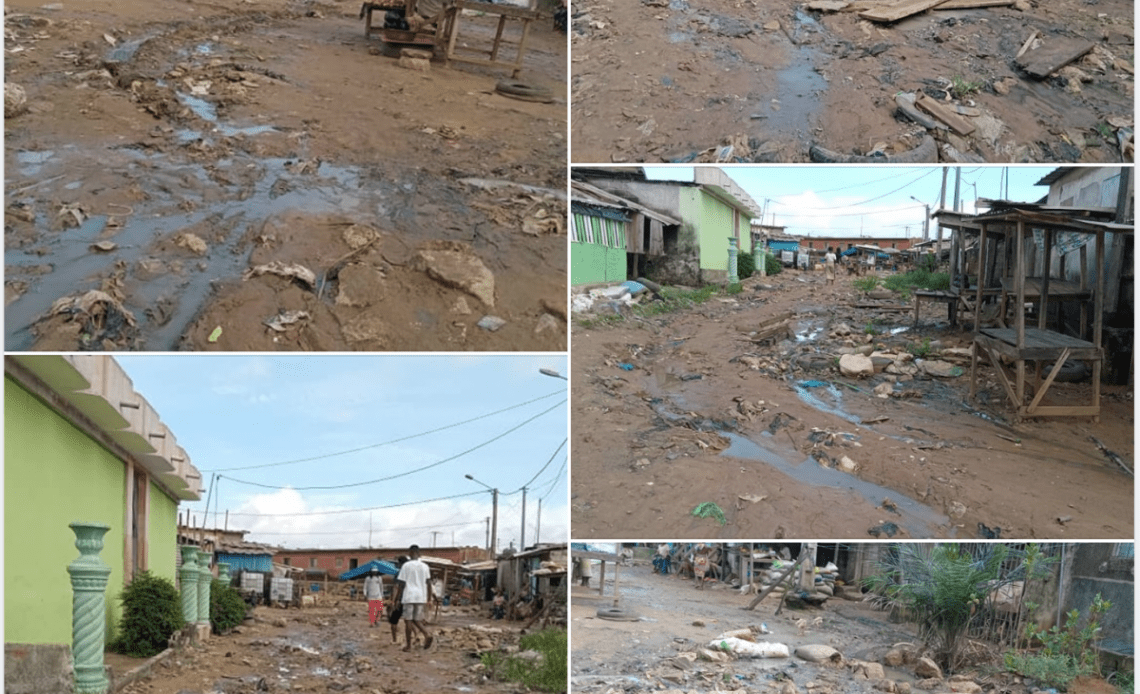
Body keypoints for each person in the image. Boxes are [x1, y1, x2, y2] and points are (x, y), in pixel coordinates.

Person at [394, 545, 434, 651]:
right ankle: (426, 634)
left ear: (410, 553)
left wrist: (397, 599)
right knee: (416, 619)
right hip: (421, 596)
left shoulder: (406, 566)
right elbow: (429, 584)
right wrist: (429, 599)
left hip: (409, 596)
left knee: (408, 621)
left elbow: (401, 584)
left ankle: (409, 646)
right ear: (419, 553)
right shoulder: (425, 566)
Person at [388, 556, 409, 645]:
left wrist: (393, 600)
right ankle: (415, 638)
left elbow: (396, 587)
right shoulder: (411, 572)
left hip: (401, 600)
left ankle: (394, 640)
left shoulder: (399, 573)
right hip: (411, 599)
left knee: (393, 620)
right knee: (410, 621)